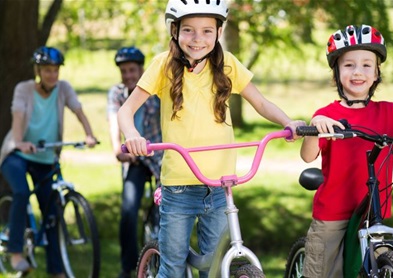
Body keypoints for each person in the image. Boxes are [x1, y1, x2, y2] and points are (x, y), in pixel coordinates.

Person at [117, 0, 305, 277]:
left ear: (218, 32)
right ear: (175, 30)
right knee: (173, 269)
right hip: (179, 187)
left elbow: (261, 103)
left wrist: (288, 122)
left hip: (220, 186)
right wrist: (132, 135)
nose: (197, 39)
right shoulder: (164, 65)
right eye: (189, 30)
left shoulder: (227, 63)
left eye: (207, 31)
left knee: (215, 269)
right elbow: (126, 110)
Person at [299, 24, 393, 278]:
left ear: (377, 73)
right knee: (323, 272)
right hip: (333, 214)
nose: (358, 72)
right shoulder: (328, 115)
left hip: (374, 213)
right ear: (336, 72)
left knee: (385, 264)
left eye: (366, 65)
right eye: (348, 65)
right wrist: (315, 128)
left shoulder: (391, 113)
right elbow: (307, 156)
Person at [0, 46, 97, 277]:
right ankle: (15, 252)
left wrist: (89, 134)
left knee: (52, 214)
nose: (52, 75)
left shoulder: (63, 88)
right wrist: (19, 141)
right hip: (17, 154)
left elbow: (78, 109)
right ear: (38, 71)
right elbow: (18, 114)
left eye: (55, 70)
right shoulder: (24, 89)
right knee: (21, 193)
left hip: (45, 157)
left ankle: (58, 272)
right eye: (46, 70)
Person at [107, 46, 163, 278]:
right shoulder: (117, 93)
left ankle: (163, 262)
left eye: (132, 70)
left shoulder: (155, 91)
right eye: (124, 71)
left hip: (159, 157)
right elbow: (114, 119)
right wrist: (116, 148)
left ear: (141, 69)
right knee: (129, 210)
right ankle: (128, 266)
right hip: (133, 159)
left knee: (167, 209)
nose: (128, 75)